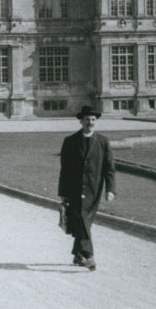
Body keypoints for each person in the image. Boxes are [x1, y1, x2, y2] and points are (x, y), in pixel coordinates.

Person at [57, 105, 116, 271]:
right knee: (82, 219)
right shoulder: (70, 141)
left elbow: (109, 167)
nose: (90, 122)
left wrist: (110, 189)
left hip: (93, 189)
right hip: (74, 190)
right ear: (81, 121)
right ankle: (89, 256)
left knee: (84, 221)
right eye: (87, 120)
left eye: (93, 120)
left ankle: (78, 253)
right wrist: (62, 193)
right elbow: (65, 169)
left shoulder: (103, 142)